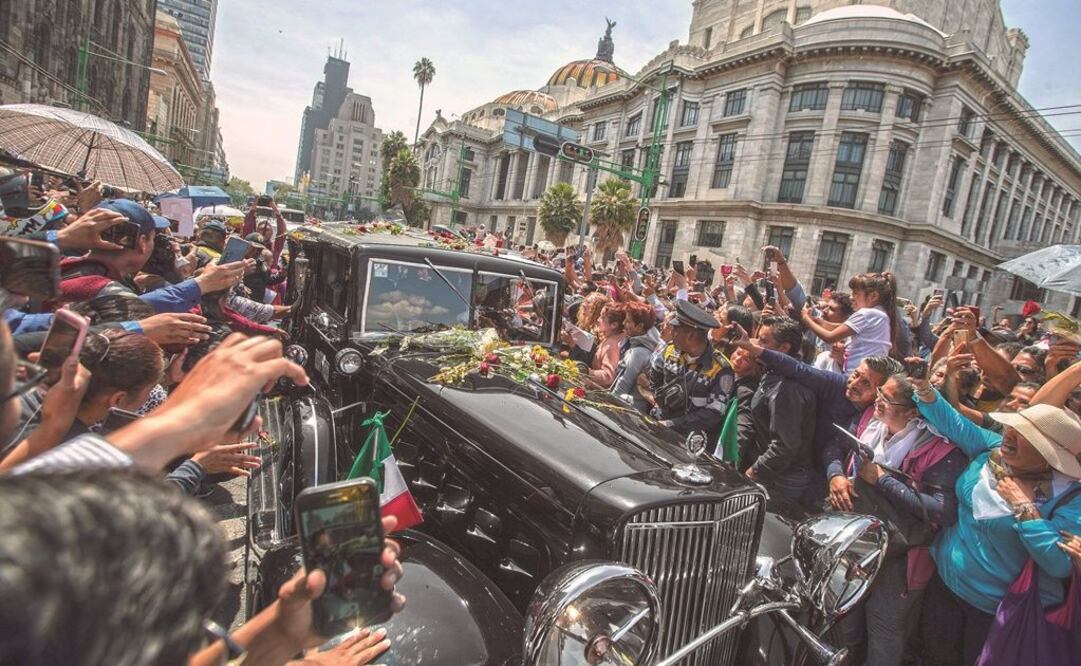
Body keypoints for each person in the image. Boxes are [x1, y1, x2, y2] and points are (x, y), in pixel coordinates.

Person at [911, 383, 1081, 666]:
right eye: (1012, 426)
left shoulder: (1070, 499)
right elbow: (953, 422)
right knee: (935, 654)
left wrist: (1024, 508)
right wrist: (923, 388)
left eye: (1024, 435)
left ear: (1049, 455)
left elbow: (1059, 565)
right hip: (942, 584)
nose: (1009, 435)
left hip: (992, 612)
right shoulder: (993, 450)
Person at [835, 374, 966, 666]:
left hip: (900, 558)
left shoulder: (939, 450)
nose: (878, 400)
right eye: (880, 392)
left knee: (884, 630)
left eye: (887, 399)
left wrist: (883, 481)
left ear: (912, 413)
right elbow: (834, 447)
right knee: (845, 618)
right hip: (857, 542)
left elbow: (942, 511)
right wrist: (836, 475)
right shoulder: (871, 423)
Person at [742, 315, 817, 501]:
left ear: (784, 348)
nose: (756, 345)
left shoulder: (787, 388)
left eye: (764, 341)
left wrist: (753, 471)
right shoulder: (772, 371)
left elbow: (785, 445)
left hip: (780, 479)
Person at [648, 300, 734, 440]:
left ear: (691, 336)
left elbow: (713, 413)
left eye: (675, 330)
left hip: (687, 439)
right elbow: (654, 377)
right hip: (657, 424)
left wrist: (674, 423)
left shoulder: (721, 369)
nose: (671, 333)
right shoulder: (670, 350)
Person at [802, 272, 898, 372]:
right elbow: (839, 327)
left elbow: (830, 337)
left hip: (852, 374)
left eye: (855, 293)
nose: (851, 297)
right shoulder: (881, 315)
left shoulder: (867, 313)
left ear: (873, 296)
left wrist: (805, 318)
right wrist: (816, 321)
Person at [610, 301, 660, 411]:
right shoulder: (636, 346)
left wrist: (607, 404)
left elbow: (623, 385)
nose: (623, 323)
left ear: (640, 326)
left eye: (628, 321)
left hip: (626, 411)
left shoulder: (638, 353)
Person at [586, 304, 626, 389]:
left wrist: (585, 371)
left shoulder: (612, 345)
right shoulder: (613, 338)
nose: (598, 320)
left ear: (614, 325)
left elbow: (608, 377)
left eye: (602, 318)